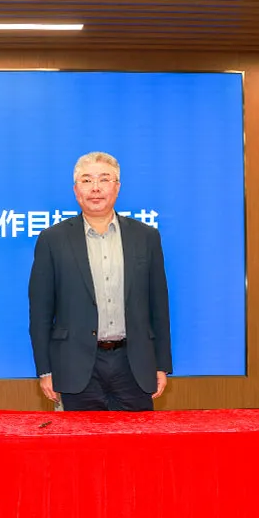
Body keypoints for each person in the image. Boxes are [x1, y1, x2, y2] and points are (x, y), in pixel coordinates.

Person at [28, 151, 171, 411]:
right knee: (80, 438)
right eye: (86, 180)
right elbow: (40, 311)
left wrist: (161, 364)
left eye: (104, 179)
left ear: (117, 187)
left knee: (135, 437)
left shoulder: (146, 237)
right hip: (75, 365)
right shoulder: (53, 239)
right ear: (76, 190)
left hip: (134, 364)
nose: (95, 188)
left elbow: (159, 306)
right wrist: (45, 370)